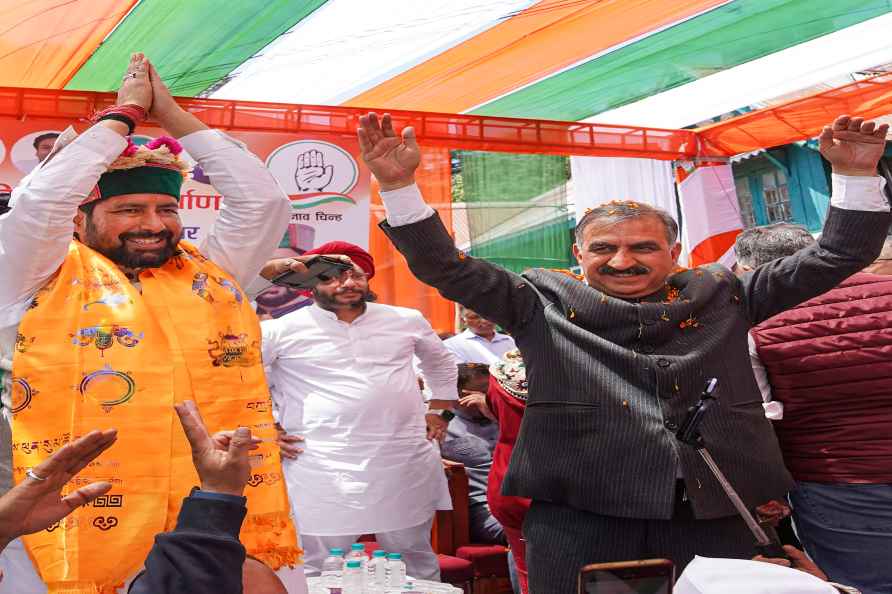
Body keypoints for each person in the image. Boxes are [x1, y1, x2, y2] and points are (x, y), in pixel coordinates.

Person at [357, 110, 892, 593]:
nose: (622, 261)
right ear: (577, 253)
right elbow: (445, 267)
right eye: (604, 248)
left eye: (642, 247)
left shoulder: (724, 293)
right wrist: (399, 185)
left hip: (712, 509)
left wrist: (856, 174)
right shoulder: (536, 302)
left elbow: (838, 253)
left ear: (673, 251)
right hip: (581, 517)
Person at [0, 53, 297, 593]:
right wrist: (124, 116)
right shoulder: (34, 276)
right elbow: (39, 201)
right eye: (129, 210)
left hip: (209, 510)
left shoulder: (212, 274)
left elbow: (263, 201)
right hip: (67, 514)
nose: (153, 225)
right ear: (80, 218)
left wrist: (174, 115)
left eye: (166, 209)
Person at [259, 241, 458, 580]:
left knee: (413, 557)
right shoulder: (280, 329)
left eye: (355, 274)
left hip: (400, 458)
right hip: (320, 463)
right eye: (332, 276)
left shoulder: (405, 319)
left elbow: (440, 363)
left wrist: (440, 410)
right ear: (311, 285)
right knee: (316, 562)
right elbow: (247, 378)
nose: (347, 283)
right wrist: (269, 427)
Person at [736, 224, 892, 594]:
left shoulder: (756, 325)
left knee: (863, 587)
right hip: (838, 485)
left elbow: (758, 418)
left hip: (839, 486)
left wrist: (764, 490)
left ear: (752, 272)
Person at [441, 363, 504, 545]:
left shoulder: (507, 416)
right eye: (481, 392)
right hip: (480, 506)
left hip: (520, 500)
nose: (488, 398)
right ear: (457, 396)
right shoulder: (441, 424)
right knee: (527, 534)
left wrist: (494, 415)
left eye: (492, 392)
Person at [485, 350, 531, 594]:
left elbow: (495, 413)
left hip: (508, 478)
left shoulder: (501, 370)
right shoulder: (572, 367)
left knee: (526, 568)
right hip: (560, 484)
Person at [443, 308, 516, 364]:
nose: (484, 321)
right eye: (475, 317)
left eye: (488, 316)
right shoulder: (451, 345)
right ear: (463, 320)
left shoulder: (509, 340)